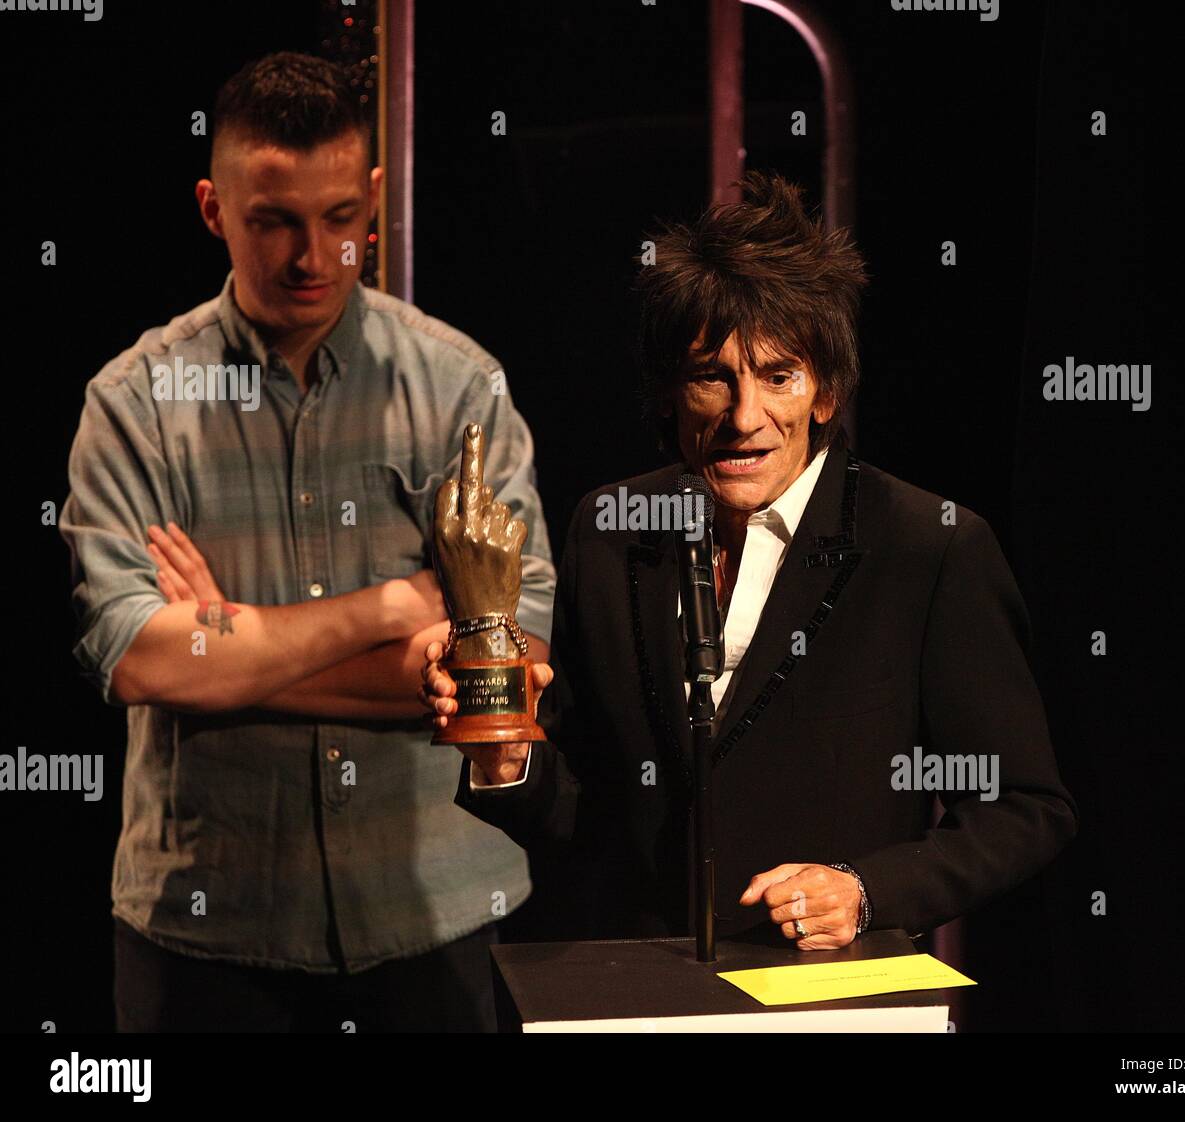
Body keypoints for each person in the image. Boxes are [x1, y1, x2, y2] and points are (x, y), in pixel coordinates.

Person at [420, 172, 1077, 949]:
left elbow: (1026, 809)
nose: (744, 417)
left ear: (826, 391)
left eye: (777, 377)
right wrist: (506, 755)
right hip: (638, 990)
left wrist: (864, 892)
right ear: (670, 392)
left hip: (829, 999)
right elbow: (590, 819)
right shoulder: (611, 527)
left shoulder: (928, 545)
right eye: (712, 377)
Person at [58, 52, 555, 1032]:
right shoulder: (133, 404)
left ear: (374, 197)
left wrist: (236, 648)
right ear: (213, 209)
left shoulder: (459, 386)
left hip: (435, 921)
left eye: (339, 219)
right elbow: (136, 660)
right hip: (208, 938)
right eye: (274, 221)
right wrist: (393, 611)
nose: (311, 257)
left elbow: (510, 659)